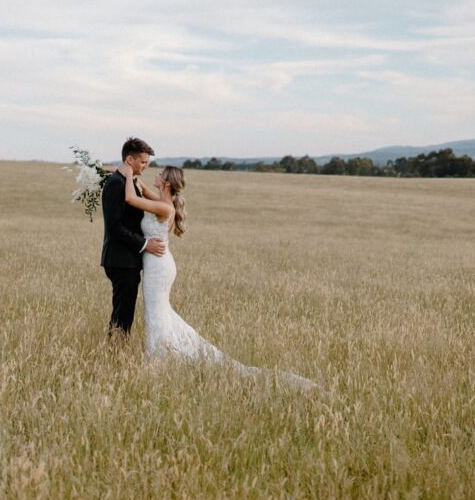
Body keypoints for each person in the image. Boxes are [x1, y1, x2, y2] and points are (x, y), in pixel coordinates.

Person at [116, 162, 317, 390]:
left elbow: (132, 199)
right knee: (159, 312)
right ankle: (163, 358)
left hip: (159, 267)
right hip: (157, 264)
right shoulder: (162, 201)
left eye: (160, 174)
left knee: (156, 313)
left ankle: (158, 364)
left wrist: (130, 174)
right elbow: (140, 187)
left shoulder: (165, 207)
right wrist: (121, 173)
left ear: (167, 182)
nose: (156, 173)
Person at [100, 137, 167, 342]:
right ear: (130, 160)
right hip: (121, 260)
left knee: (125, 311)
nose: (146, 166)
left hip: (128, 259)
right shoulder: (115, 184)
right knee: (123, 313)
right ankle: (115, 356)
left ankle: (117, 353)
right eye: (143, 162)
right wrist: (145, 245)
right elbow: (114, 227)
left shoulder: (129, 182)